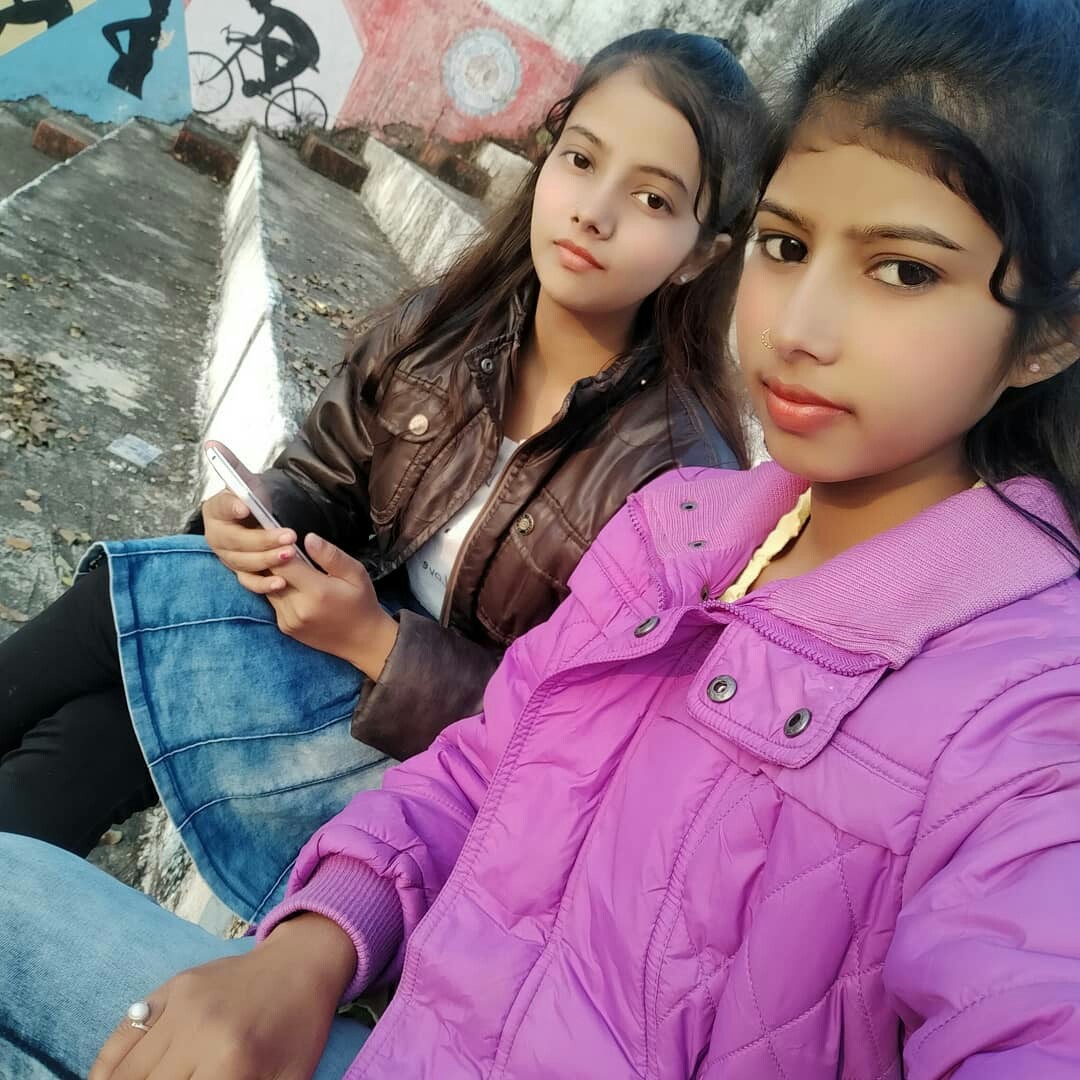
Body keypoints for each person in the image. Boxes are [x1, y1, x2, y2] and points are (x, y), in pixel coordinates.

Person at [6, 0, 1080, 1075]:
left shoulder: (1028, 713)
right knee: (99, 702)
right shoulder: (663, 513)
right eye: (788, 245)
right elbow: (492, 761)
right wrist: (309, 947)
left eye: (905, 270)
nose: (799, 328)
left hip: (378, 705)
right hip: (405, 995)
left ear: (1053, 334)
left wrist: (373, 642)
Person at [0, 30, 770, 922]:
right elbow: (325, 475)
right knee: (92, 730)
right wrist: (259, 514)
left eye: (651, 198)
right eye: (581, 159)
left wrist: (376, 642)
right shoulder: (443, 327)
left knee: (120, 636)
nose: (593, 211)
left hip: (430, 763)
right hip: (330, 652)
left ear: (701, 253)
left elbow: (575, 736)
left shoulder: (683, 480)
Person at [231, 0, 320, 98]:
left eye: (254, 5)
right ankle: (268, 82)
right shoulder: (274, 12)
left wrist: (234, 39)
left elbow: (256, 40)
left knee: (267, 43)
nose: (253, 8)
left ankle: (268, 83)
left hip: (306, 54)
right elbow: (257, 38)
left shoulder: (274, 15)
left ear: (261, 4)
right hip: (305, 51)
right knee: (267, 43)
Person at [102, 0, 171, 100]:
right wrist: (120, 52)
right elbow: (107, 30)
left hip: (134, 74)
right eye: (163, 10)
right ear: (155, 9)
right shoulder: (140, 24)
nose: (167, 13)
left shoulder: (157, 29)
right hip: (123, 73)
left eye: (167, 9)